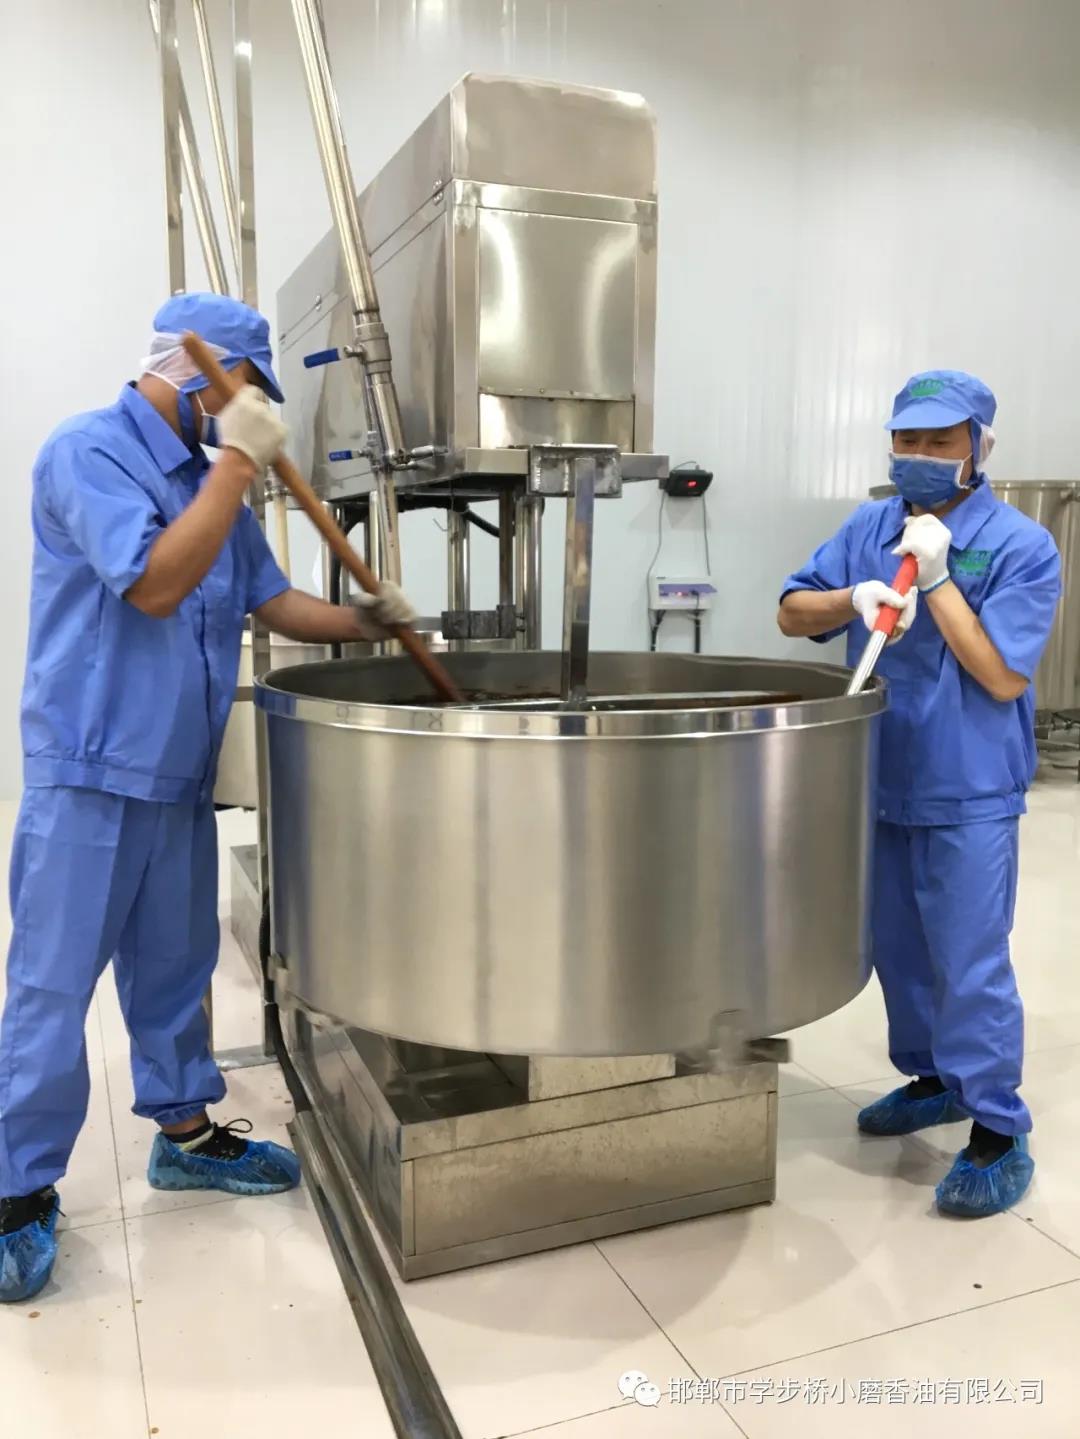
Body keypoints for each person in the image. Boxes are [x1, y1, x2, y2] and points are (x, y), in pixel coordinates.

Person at [0, 292, 417, 1303]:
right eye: (247, 391)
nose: (252, 410)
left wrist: (369, 620)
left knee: (175, 968)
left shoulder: (206, 478)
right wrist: (236, 465)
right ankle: (15, 1189)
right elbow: (152, 581)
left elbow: (273, 599)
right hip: (91, 774)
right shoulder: (88, 451)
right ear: (200, 376)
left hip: (177, 775)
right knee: (54, 989)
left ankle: (184, 1132)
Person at [778, 370, 1061, 1219]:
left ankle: (998, 1127)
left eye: (942, 441)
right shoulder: (869, 527)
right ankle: (934, 1078)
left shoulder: (1021, 545)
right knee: (897, 949)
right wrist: (853, 596)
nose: (922, 454)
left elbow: (1003, 676)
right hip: (879, 776)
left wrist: (936, 584)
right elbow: (793, 611)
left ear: (979, 446)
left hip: (967, 784)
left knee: (968, 957)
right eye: (909, 440)